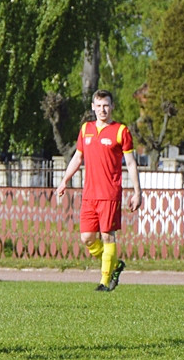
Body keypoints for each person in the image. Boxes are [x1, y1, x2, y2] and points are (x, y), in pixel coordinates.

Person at [55, 90, 143, 291]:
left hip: (110, 194)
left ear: (112, 107)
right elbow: (78, 158)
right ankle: (115, 264)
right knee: (86, 237)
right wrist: (64, 181)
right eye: (99, 105)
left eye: (106, 105)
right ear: (93, 107)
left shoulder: (121, 131)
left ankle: (104, 281)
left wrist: (138, 192)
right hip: (89, 195)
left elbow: (130, 162)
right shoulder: (86, 129)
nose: (102, 109)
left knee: (107, 236)